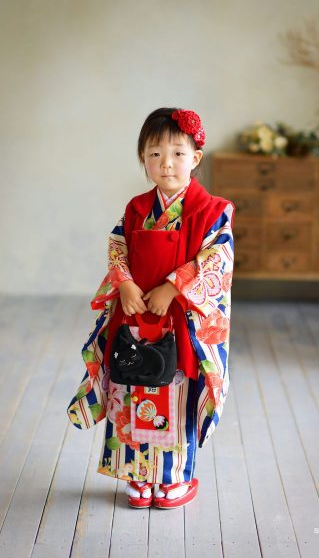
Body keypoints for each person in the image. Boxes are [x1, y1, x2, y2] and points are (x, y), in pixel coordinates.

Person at [67, 107, 235, 509]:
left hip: (180, 319)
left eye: (177, 153)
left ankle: (172, 479)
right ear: (143, 159)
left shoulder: (213, 210)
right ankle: (138, 478)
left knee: (174, 392)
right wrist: (124, 282)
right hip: (134, 311)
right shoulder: (137, 208)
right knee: (131, 386)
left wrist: (173, 288)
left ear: (196, 158)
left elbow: (217, 260)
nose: (166, 163)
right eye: (155, 153)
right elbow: (117, 245)